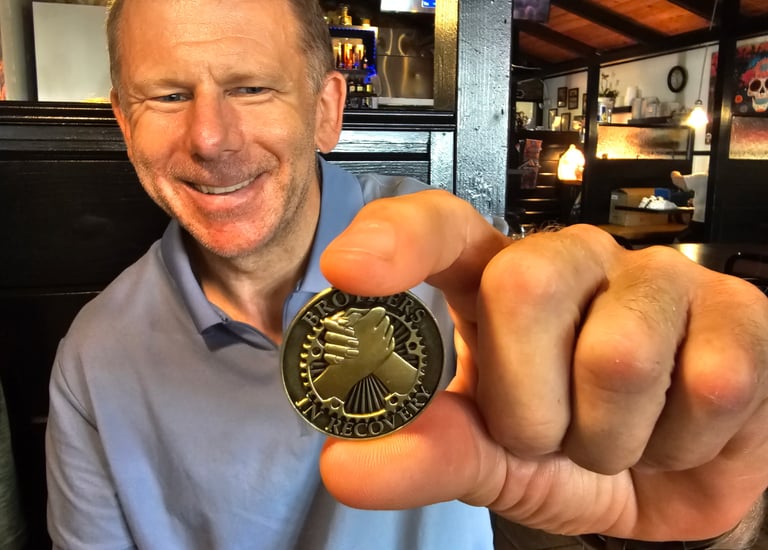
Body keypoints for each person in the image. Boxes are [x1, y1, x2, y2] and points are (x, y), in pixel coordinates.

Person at [45, 0, 768, 548]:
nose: (209, 137)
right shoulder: (94, 357)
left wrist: (704, 502)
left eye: (253, 88)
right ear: (124, 123)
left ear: (325, 110)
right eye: (168, 96)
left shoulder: (458, 276)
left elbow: (617, 479)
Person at [671, 170, 709, 243]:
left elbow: (678, 181)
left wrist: (674, 173)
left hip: (700, 225)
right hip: (721, 228)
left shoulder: (703, 177)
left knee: (677, 241)